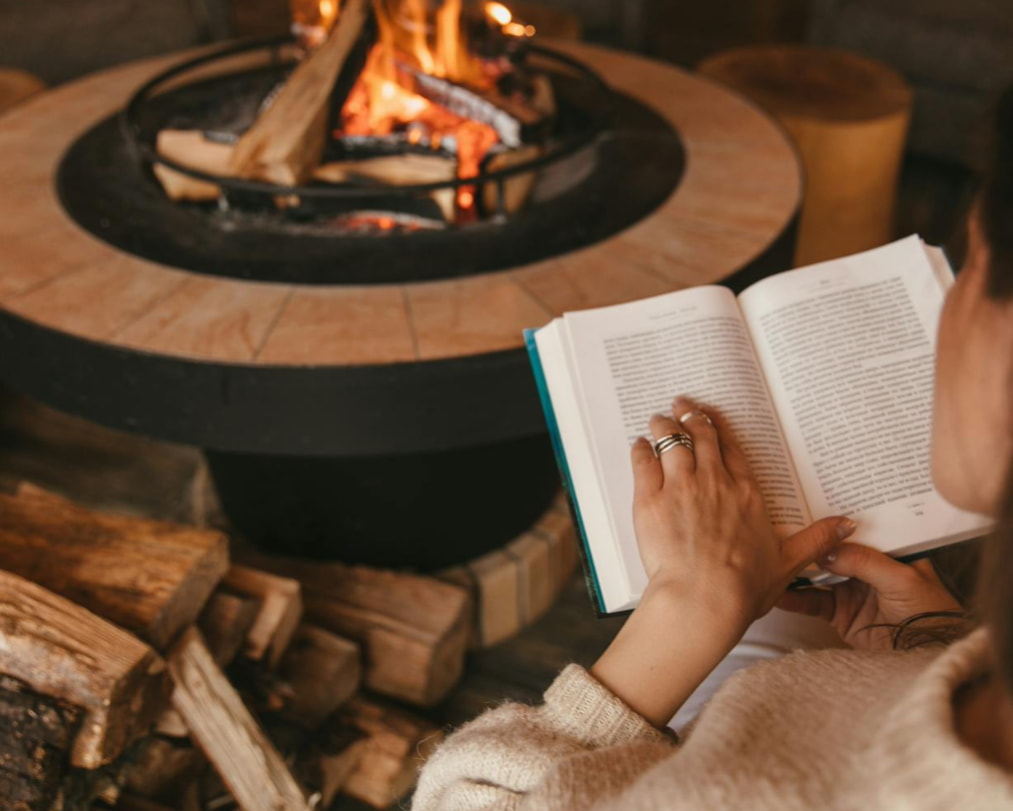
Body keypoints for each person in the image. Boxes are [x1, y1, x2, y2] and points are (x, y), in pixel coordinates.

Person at [412, 84, 1013, 811]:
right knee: (780, 614)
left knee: (749, 625)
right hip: (902, 662)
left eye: (967, 268)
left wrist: (687, 602)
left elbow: (464, 800)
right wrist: (934, 644)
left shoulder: (743, 792)